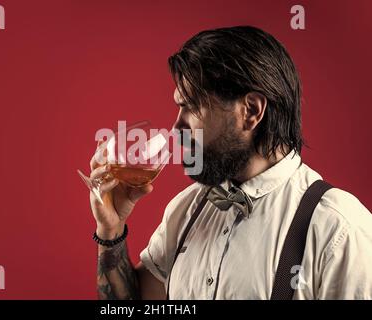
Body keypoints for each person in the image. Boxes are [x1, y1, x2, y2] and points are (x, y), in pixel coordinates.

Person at [88, 26, 372, 300]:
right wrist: (111, 229)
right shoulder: (186, 210)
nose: (176, 128)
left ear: (251, 111)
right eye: (179, 106)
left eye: (193, 106)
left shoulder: (339, 229)